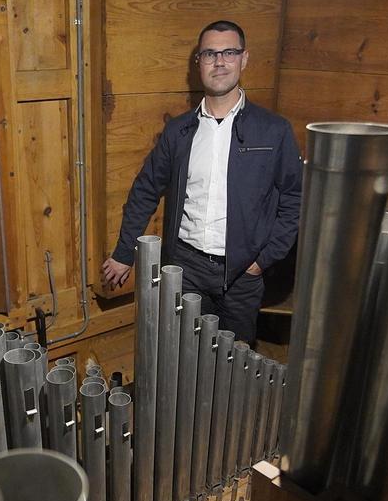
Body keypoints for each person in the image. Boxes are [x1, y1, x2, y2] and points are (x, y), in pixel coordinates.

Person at [100, 20, 302, 344]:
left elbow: (294, 200)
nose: (219, 62)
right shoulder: (179, 132)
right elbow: (145, 189)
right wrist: (125, 253)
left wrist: (261, 261)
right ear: (199, 63)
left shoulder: (273, 131)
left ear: (244, 59)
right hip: (186, 268)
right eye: (210, 54)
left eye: (229, 52)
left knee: (234, 364)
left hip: (242, 274)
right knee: (182, 357)